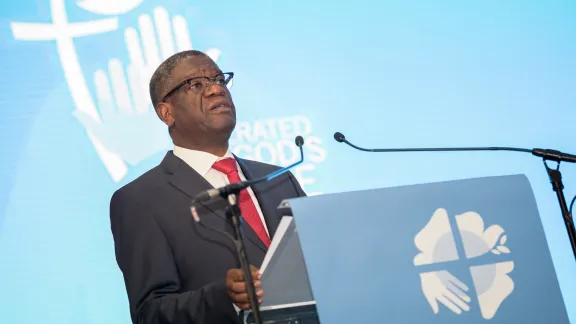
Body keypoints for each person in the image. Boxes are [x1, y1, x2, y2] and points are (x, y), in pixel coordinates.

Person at [110, 50, 307, 324]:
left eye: (219, 80)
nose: (216, 89)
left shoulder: (279, 178)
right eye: (196, 85)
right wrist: (223, 298)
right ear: (167, 113)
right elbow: (150, 313)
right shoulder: (139, 200)